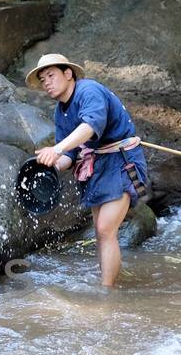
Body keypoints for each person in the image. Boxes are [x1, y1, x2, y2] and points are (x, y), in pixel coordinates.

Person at [29, 53, 151, 288]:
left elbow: (90, 126)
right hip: (97, 166)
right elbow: (69, 156)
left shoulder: (89, 90)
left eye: (51, 75)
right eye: (43, 79)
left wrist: (57, 148)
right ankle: (109, 282)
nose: (47, 83)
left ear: (68, 74)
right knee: (100, 231)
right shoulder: (60, 111)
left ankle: (107, 291)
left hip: (122, 160)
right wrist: (50, 164)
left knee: (106, 228)